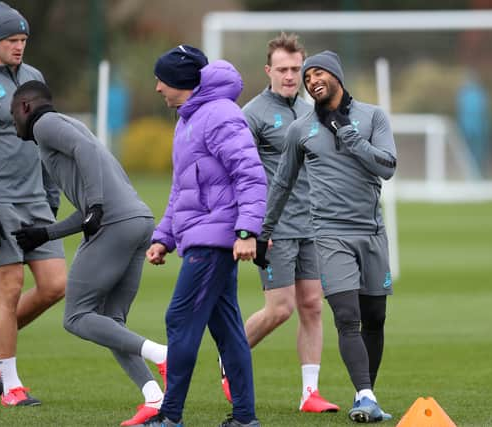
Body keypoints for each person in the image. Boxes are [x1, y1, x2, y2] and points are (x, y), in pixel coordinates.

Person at [9, 80, 168, 426]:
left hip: (117, 224)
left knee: (76, 317)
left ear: (25, 108)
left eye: (12, 115)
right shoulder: (71, 126)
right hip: (138, 221)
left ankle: (162, 355)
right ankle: (155, 399)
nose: (13, 123)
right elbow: (87, 212)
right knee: (110, 323)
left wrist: (94, 205)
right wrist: (45, 234)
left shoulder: (45, 124)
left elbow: (86, 158)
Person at [256, 50, 396, 423]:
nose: (312, 80)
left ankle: (366, 394)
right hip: (329, 235)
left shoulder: (372, 117)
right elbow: (282, 183)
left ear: (337, 76)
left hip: (372, 234)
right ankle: (365, 395)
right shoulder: (301, 129)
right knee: (346, 316)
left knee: (375, 317)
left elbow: (388, 167)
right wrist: (262, 231)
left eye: (318, 73)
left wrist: (350, 137)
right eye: (308, 77)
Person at [140, 45, 266, 427]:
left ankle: (170, 416)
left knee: (179, 318)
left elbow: (251, 175)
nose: (158, 87)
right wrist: (164, 237)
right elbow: (183, 190)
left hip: (215, 242)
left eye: (162, 79)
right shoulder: (188, 119)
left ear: (181, 81)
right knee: (229, 332)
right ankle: (244, 418)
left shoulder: (220, 115)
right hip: (201, 238)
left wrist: (247, 231)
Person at [220, 32, 338, 414]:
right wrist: (251, 227)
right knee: (280, 309)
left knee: (313, 307)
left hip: (313, 224)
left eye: (297, 68)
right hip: (275, 227)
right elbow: (238, 174)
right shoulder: (251, 114)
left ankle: (309, 394)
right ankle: (229, 357)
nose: (291, 75)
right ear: (268, 70)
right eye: (283, 69)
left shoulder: (314, 111)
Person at [0, 1, 66, 407]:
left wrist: (53, 194)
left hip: (36, 197)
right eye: (12, 40)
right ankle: (12, 385)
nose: (19, 46)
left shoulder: (34, 78)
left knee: (56, 285)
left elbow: (47, 138)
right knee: (10, 289)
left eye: (23, 39)